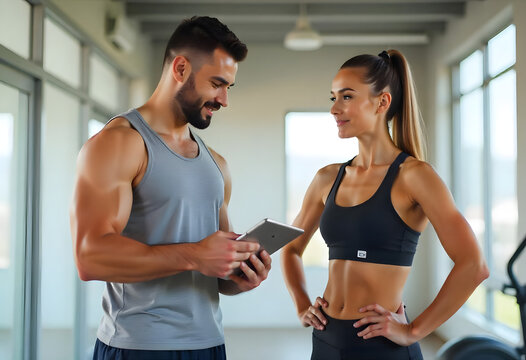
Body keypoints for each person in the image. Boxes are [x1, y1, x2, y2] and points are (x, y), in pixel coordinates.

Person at [70, 16, 272, 360]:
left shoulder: (217, 165)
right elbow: (89, 257)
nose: (224, 100)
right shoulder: (119, 143)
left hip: (209, 344)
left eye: (229, 88)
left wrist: (240, 276)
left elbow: (214, 271)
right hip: (139, 346)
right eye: (217, 84)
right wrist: (194, 254)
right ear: (180, 68)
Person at [281, 49, 489, 360]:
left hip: (380, 347)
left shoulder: (415, 177)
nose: (334, 109)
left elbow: (474, 265)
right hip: (325, 341)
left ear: (382, 102)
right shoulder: (327, 178)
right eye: (333, 98)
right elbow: (291, 247)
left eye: (347, 97)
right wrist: (301, 305)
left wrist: (413, 330)